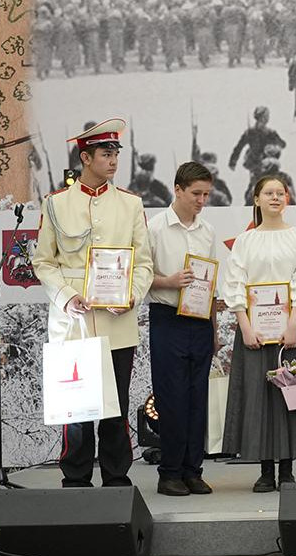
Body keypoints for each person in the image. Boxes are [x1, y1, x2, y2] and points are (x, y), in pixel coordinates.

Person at [32, 118, 154, 488]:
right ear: (85, 157)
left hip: (117, 320)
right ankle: (75, 478)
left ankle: (117, 476)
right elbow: (43, 261)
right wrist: (65, 296)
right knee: (76, 406)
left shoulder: (130, 204)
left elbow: (144, 263)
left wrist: (132, 294)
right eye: (105, 153)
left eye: (116, 153)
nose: (113, 160)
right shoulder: (56, 204)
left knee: (116, 405)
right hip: (73, 320)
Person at [221, 175, 296, 492]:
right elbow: (235, 283)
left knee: (290, 394)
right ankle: (265, 471)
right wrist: (245, 326)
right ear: (257, 199)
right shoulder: (245, 241)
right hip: (253, 330)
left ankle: (287, 470)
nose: (275, 198)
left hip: (290, 328)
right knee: (259, 396)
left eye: (281, 193)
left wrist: (293, 324)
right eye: (269, 193)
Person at [146, 162, 219, 496]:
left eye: (206, 194)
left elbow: (212, 283)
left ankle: (193, 470)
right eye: (196, 194)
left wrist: (213, 329)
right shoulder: (155, 228)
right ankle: (169, 473)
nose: (201, 201)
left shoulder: (207, 231)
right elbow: (140, 277)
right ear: (177, 189)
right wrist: (169, 281)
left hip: (200, 320)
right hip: (167, 317)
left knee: (197, 398)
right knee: (172, 397)